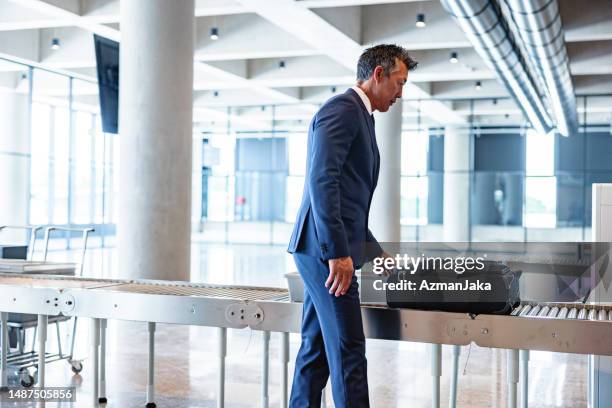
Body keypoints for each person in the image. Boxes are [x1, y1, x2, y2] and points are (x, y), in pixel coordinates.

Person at [287, 44, 418, 408]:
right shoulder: (342, 111)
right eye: (398, 82)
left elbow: (348, 203)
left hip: (322, 250)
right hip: (325, 253)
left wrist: (377, 254)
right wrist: (339, 253)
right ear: (378, 74)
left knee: (316, 353)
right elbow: (322, 181)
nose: (400, 94)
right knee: (349, 352)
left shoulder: (361, 117)